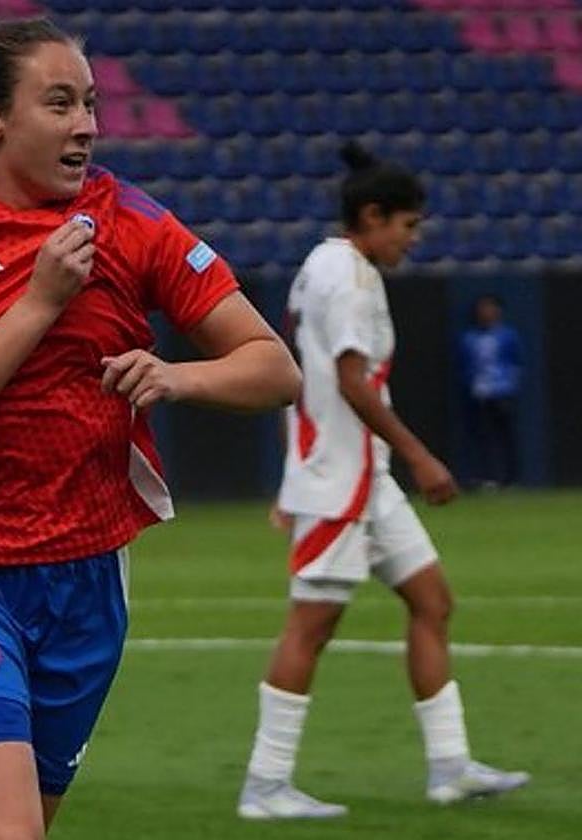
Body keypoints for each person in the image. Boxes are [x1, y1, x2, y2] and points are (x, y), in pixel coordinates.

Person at [0, 18, 301, 840]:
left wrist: (178, 375)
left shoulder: (133, 223)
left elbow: (273, 367)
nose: (86, 124)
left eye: (90, 103)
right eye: (59, 103)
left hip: (86, 583)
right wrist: (40, 301)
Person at [237, 143, 529, 820]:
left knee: (432, 600)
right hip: (340, 482)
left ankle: (450, 767)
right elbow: (347, 379)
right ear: (373, 215)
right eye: (407, 225)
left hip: (361, 477)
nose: (413, 240)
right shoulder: (345, 276)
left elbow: (301, 381)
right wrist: (421, 455)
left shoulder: (326, 266)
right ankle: (265, 784)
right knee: (311, 629)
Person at [459, 295, 522, 488]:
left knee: (506, 435)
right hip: (478, 393)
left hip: (502, 391)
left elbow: (516, 362)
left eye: (490, 308)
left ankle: (511, 478)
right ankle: (487, 476)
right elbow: (465, 365)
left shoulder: (508, 336)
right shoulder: (469, 338)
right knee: (483, 436)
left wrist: (509, 384)